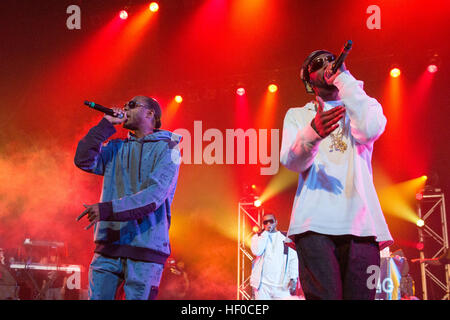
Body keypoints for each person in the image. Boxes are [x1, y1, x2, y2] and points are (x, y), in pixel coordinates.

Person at [280, 49, 393, 300]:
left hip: (362, 227)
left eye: (331, 59)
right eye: (317, 63)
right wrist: (313, 133)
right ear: (309, 81)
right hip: (313, 226)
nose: (326, 64)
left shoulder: (363, 105)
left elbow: (369, 128)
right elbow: (291, 161)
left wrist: (344, 79)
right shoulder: (298, 115)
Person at [74, 95, 182, 300]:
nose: (125, 107)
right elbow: (83, 160)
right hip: (108, 246)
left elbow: (153, 197)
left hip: (146, 249)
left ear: (150, 113)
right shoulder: (115, 147)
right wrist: (104, 126)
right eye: (125, 104)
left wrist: (107, 209)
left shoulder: (169, 149)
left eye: (132, 105)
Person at [250, 213, 299, 300]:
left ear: (276, 222)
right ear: (263, 224)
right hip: (262, 286)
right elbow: (257, 251)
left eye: (271, 221)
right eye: (266, 222)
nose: (268, 224)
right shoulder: (257, 237)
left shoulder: (285, 237)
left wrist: (293, 278)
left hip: (281, 286)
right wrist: (265, 234)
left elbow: (293, 259)